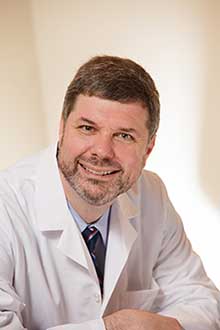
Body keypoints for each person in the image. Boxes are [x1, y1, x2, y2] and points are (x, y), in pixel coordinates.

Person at [0, 55, 219, 330]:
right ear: (62, 128)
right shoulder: (5, 206)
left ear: (148, 148)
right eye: (87, 128)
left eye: (124, 135)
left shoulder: (151, 194)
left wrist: (167, 325)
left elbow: (202, 300)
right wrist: (112, 327)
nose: (102, 152)